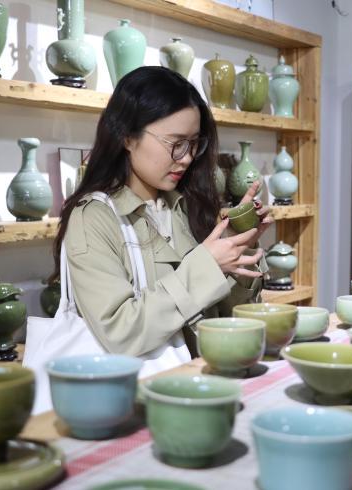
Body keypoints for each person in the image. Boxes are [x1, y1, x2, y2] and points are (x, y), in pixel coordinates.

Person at [51, 66, 272, 370]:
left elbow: (230, 318)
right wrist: (208, 265)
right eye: (175, 143)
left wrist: (238, 244)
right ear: (127, 136)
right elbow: (121, 333)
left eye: (193, 143)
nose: (187, 157)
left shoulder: (189, 206)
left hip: (205, 379)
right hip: (146, 390)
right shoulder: (93, 218)